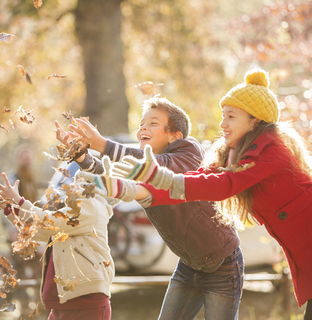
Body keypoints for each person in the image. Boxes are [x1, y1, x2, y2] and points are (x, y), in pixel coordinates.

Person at [88, 69, 312, 320]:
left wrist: (157, 175)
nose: (222, 123)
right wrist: (133, 189)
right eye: (223, 115)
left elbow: (224, 185)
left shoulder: (270, 149)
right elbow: (198, 182)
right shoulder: (235, 153)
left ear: (254, 121)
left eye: (231, 116)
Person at [58, 97, 244, 320]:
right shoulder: (141, 167)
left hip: (222, 263)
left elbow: (159, 167)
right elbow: (108, 176)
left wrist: (104, 145)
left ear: (174, 135)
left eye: (153, 123)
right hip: (189, 265)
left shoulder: (189, 152)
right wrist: (82, 155)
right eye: (141, 124)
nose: (143, 127)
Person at [0, 172, 115, 320]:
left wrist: (18, 201)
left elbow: (47, 223)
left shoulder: (90, 206)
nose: (71, 185)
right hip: (69, 300)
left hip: (85, 301)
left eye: (79, 181)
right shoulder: (82, 208)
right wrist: (9, 207)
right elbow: (39, 231)